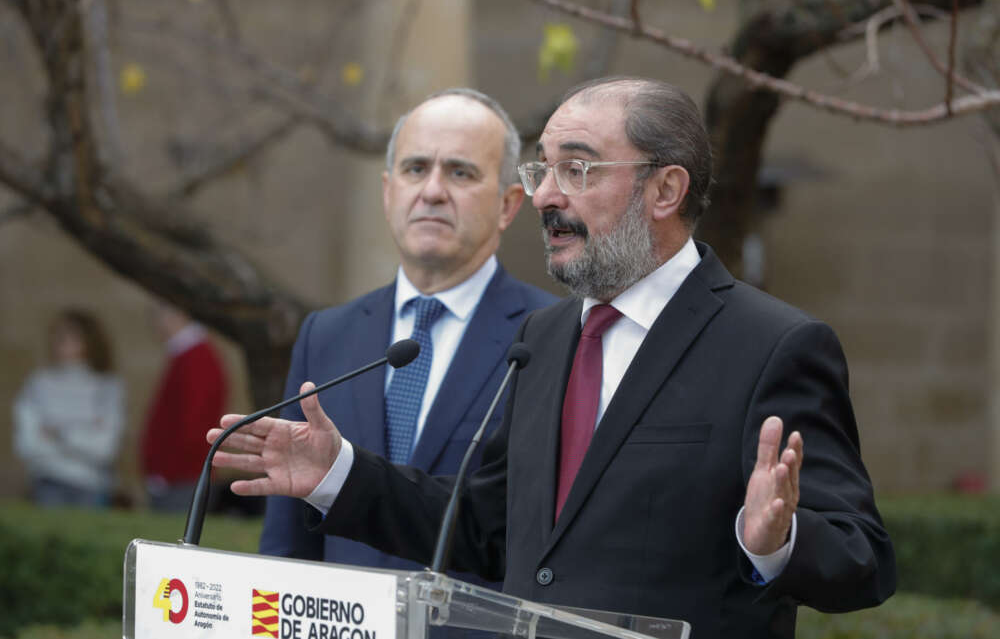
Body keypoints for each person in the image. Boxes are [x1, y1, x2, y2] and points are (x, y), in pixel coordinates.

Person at [209, 77, 896, 639]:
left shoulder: (772, 344)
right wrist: (339, 474)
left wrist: (773, 540)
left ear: (665, 190)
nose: (544, 196)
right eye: (543, 169)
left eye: (577, 168)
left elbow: (862, 559)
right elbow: (483, 527)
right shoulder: (545, 337)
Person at [258, 88, 556, 577]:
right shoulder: (327, 334)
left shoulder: (550, 337)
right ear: (388, 190)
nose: (433, 191)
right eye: (415, 169)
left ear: (508, 205)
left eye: (460, 173)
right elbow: (288, 540)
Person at [13, 309, 124, 507]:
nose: (61, 342)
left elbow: (105, 448)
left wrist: (59, 434)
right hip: (47, 481)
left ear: (89, 341)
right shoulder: (38, 383)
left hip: (92, 485)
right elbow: (27, 444)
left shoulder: (106, 387)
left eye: (70, 336)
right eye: (58, 335)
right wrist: (84, 433)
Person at [141, 302, 228, 512]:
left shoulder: (197, 358)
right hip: (178, 476)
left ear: (180, 314)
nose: (156, 323)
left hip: (182, 478)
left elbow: (193, 425)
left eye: (160, 313)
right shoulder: (187, 355)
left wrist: (165, 472)